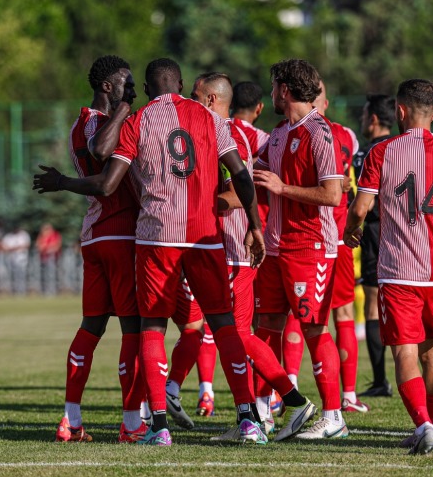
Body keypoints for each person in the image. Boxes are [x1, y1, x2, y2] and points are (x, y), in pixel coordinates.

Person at [34, 57, 267, 446]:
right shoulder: (210, 118)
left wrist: (62, 182)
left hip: (155, 236)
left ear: (146, 85)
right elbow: (240, 173)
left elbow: (108, 184)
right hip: (204, 235)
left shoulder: (138, 120)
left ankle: (157, 426)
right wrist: (255, 227)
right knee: (223, 324)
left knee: (151, 327)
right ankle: (248, 419)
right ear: (181, 83)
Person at [164, 72, 316, 440]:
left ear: (213, 100)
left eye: (196, 95)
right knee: (210, 329)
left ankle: (293, 400)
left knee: (235, 333)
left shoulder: (228, 135)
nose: (189, 100)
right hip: (208, 247)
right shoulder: (203, 131)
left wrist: (195, 205)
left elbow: (239, 194)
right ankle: (244, 417)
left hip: (231, 251)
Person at [344, 78, 433, 455]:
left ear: (400, 111)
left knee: (404, 351)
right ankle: (428, 425)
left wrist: (350, 231)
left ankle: (423, 424)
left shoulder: (382, 152)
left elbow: (360, 208)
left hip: (397, 271)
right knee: (431, 352)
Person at [40, 55, 146, 443]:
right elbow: (102, 155)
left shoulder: (80, 124)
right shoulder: (97, 123)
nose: (130, 91)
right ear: (107, 86)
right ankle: (133, 424)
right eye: (125, 84)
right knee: (133, 330)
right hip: (120, 235)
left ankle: (71, 419)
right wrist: (124, 110)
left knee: (92, 326)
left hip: (95, 235)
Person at [252, 59, 349, 439]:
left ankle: (334, 416)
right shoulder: (278, 133)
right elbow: (254, 176)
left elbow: (332, 194)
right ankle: (260, 417)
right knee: (264, 331)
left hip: (310, 248)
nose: (271, 93)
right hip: (276, 249)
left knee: (313, 330)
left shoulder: (320, 133)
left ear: (286, 90)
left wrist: (282, 188)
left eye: (274, 86)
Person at [313, 81, 369, 414]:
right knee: (343, 315)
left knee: (295, 318)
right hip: (339, 235)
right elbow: (352, 182)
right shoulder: (347, 135)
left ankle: (281, 391)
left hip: (309, 238)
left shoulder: (297, 131)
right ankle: (347, 395)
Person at [351, 94, 397, 397]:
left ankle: (380, 381)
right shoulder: (403, 147)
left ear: (374, 119)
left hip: (373, 231)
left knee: (372, 306)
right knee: (407, 299)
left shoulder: (365, 153)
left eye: (365, 114)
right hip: (403, 232)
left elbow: (359, 202)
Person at [1, 224, 30, 294]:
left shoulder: (24, 235)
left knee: (21, 275)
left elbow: (27, 245)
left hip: (21, 259)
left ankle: (22, 291)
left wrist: (15, 248)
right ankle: (12, 290)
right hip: (10, 259)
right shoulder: (8, 236)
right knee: (11, 276)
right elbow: (4, 247)